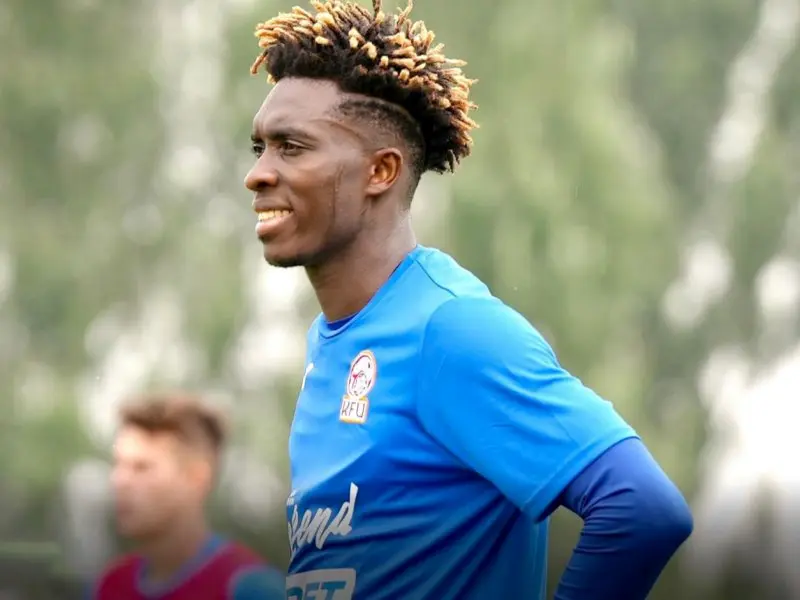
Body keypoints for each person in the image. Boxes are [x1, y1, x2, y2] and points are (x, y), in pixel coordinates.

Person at [244, 1, 694, 598]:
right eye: (259, 148)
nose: (258, 173)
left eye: (292, 147)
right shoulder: (329, 342)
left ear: (381, 171)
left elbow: (641, 508)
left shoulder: (451, 329)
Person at [89, 393, 285, 600]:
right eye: (118, 465)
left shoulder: (249, 588)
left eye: (142, 467)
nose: (119, 481)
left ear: (197, 477)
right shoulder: (108, 586)